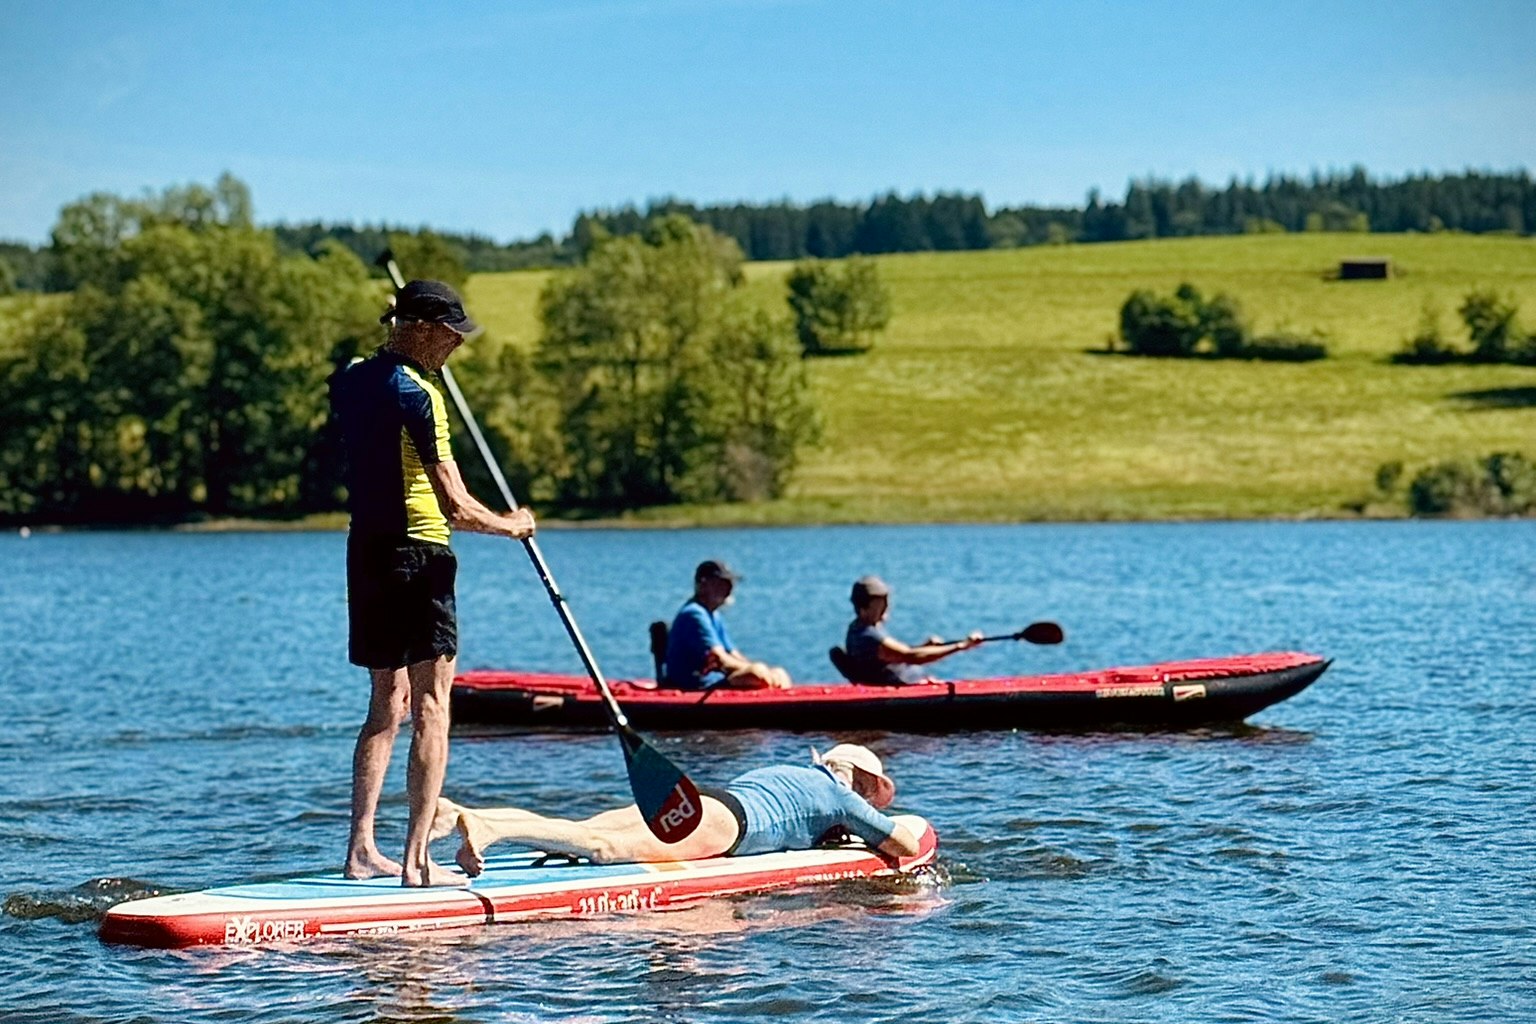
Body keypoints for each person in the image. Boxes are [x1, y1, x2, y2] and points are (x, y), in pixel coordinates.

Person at [330, 279, 537, 887]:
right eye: (449, 334)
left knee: (385, 703)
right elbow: (455, 506)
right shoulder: (420, 396)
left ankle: (361, 851)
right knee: (431, 705)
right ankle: (417, 862)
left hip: (365, 554)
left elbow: (366, 374)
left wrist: (394, 335)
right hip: (419, 556)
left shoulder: (351, 379)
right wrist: (513, 526)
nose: (456, 345)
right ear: (420, 329)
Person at [429, 743, 922, 872]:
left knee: (580, 829)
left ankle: (467, 814)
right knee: (603, 849)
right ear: (861, 780)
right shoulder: (841, 796)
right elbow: (903, 843)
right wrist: (858, 827)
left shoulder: (787, 770)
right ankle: (488, 829)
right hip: (726, 824)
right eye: (871, 792)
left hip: (701, 797)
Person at [660, 560, 791, 689]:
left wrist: (766, 672)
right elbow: (721, 659)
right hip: (697, 685)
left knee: (779, 673)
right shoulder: (694, 614)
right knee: (757, 674)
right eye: (721, 583)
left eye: (729, 584)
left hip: (715, 680)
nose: (729, 589)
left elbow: (733, 654)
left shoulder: (713, 615)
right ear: (703, 584)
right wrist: (756, 671)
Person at [843, 575, 982, 685]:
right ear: (864, 608)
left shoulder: (858, 629)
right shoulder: (868, 636)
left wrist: (925, 647)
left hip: (915, 683)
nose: (886, 606)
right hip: (909, 693)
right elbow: (911, 656)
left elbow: (897, 656)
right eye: (881, 603)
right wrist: (961, 646)